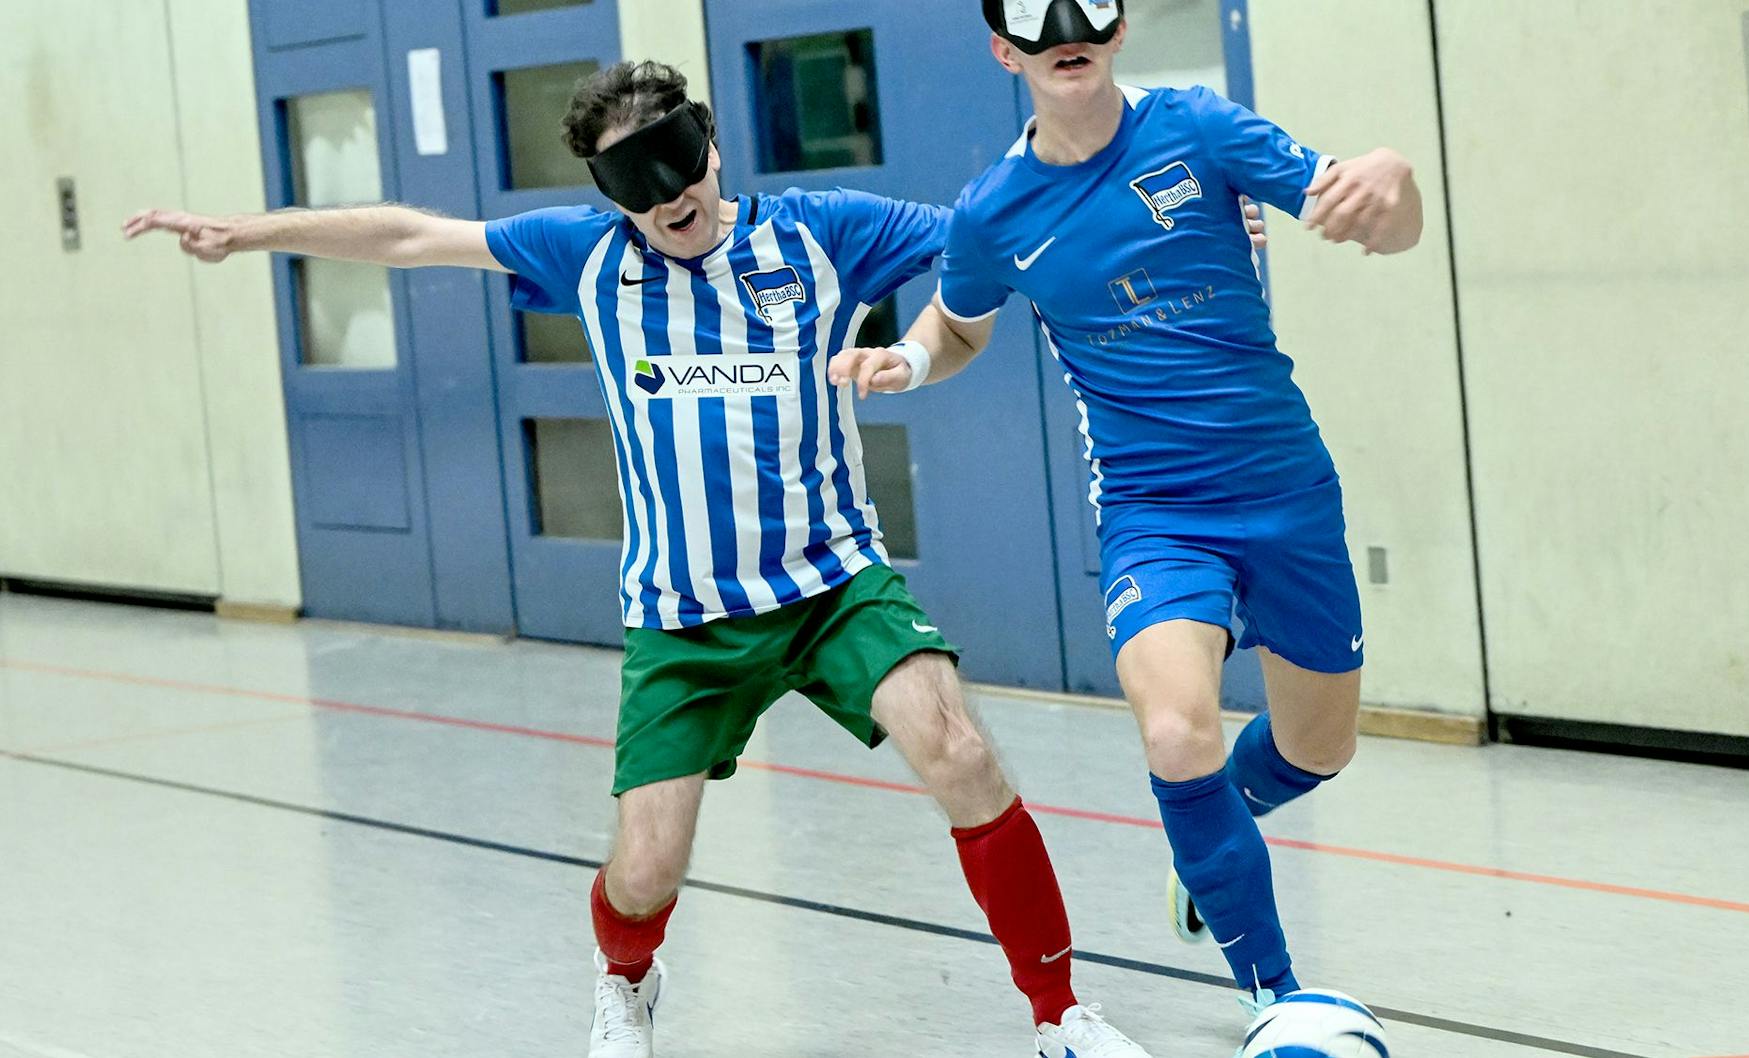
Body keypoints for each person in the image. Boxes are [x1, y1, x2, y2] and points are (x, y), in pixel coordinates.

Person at [123, 60, 1166, 1058]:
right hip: (681, 616)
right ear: (608, 194)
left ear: (708, 143)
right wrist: (247, 233)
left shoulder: (821, 234)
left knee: (961, 752)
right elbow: (408, 234)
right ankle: (624, 978)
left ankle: (1059, 1011)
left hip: (831, 582)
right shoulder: (585, 255)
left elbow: (999, 235)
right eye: (633, 180)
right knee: (644, 866)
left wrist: (1174, 222)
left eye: (675, 159)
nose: (667, 196)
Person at [829, 0, 1424, 1044]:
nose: (1065, 29)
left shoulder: (1200, 127)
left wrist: (1394, 178)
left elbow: (1381, 217)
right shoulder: (991, 211)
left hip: (1286, 490)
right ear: (1000, 48)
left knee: (1318, 746)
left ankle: (1210, 840)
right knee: (1174, 726)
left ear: (1115, 30)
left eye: (1087, 11)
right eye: (1034, 18)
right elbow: (960, 322)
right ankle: (1273, 993)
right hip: (1154, 512)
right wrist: (908, 359)